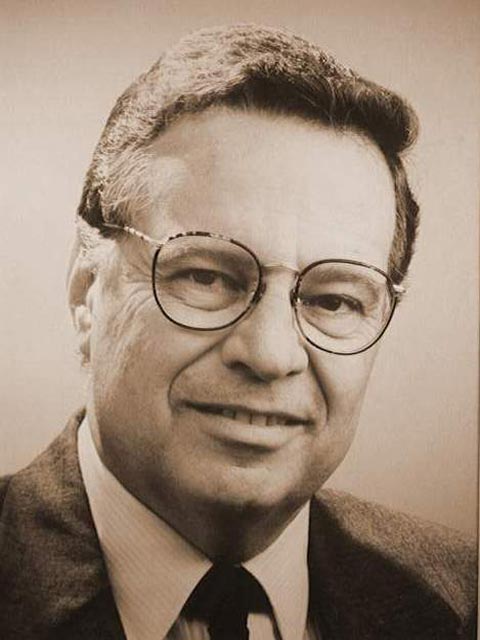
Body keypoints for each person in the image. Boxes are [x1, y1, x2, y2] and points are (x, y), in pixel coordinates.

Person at [0, 23, 476, 640]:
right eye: (206, 276)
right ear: (86, 291)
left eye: (334, 299)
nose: (270, 354)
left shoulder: (462, 601)